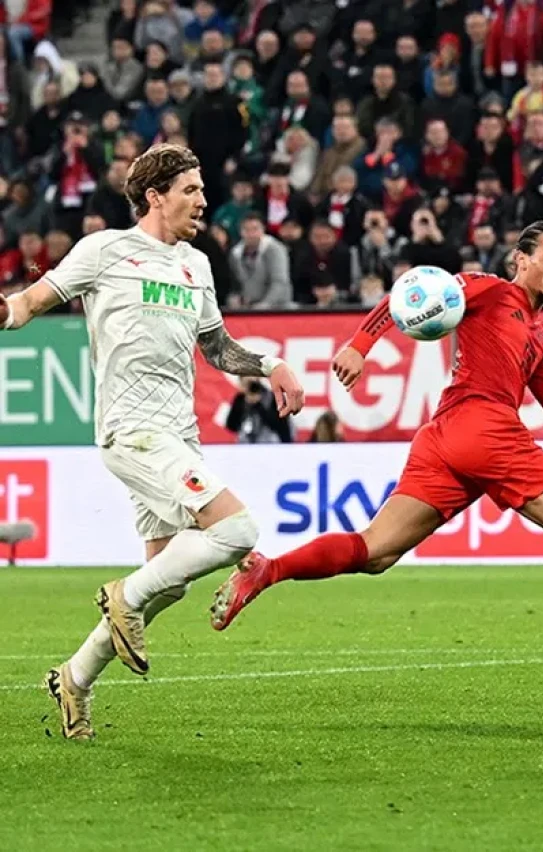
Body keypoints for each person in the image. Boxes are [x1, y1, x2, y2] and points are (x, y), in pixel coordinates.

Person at [210, 221, 543, 694]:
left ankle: (267, 570)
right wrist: (360, 345)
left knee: (376, 551)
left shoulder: (540, 338)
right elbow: (408, 292)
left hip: (445, 437)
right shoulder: (489, 289)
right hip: (485, 428)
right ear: (521, 260)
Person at [0, 144, 305, 740]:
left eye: (202, 189)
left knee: (168, 582)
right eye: (191, 190)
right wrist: (4, 313)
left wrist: (272, 365)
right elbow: (33, 300)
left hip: (179, 434)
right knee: (238, 530)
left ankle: (74, 678)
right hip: (132, 429)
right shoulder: (104, 250)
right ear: (155, 196)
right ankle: (119, 595)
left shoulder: (197, 265)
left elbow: (218, 349)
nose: (203, 200)